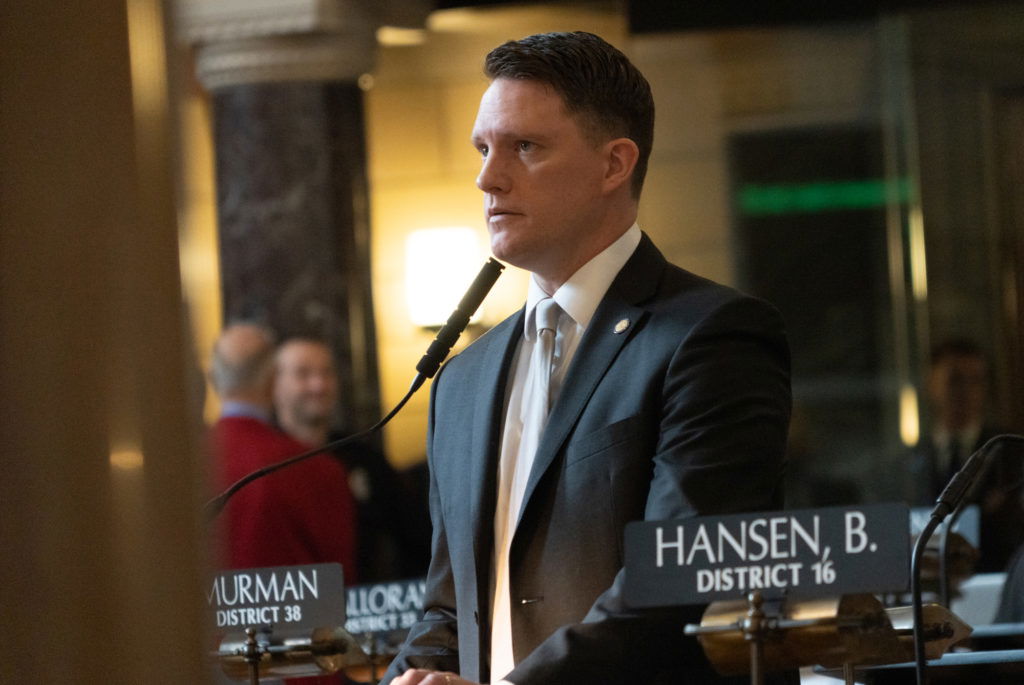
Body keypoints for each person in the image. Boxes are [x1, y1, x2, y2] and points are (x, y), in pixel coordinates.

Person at [383, 32, 792, 685]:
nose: (487, 176)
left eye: (525, 147)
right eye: (484, 149)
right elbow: (447, 607)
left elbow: (675, 580)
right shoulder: (459, 378)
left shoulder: (712, 336)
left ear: (614, 165)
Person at [274, 336, 432, 583]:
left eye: (326, 373)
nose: (318, 385)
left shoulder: (365, 459)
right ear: (275, 383)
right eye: (303, 374)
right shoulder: (262, 464)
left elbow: (417, 539)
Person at [209, 323, 358, 578]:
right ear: (273, 380)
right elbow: (340, 581)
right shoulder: (317, 468)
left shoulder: (181, 467)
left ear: (212, 379)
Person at [906, 338, 1023, 572]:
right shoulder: (908, 461)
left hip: (996, 581)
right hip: (928, 585)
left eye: (977, 381)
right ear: (931, 384)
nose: (966, 392)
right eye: (955, 380)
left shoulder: (1011, 450)